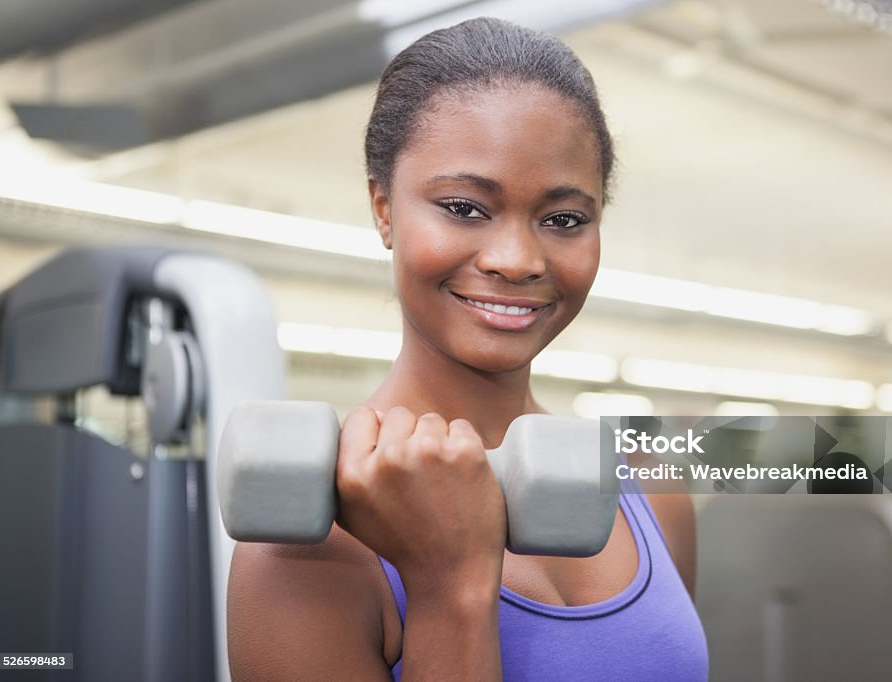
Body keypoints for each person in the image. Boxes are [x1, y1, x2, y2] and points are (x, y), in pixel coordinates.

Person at [227, 17, 708, 681]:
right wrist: (451, 587)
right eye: (465, 207)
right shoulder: (310, 543)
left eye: (564, 219)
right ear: (384, 209)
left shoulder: (651, 490)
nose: (517, 260)